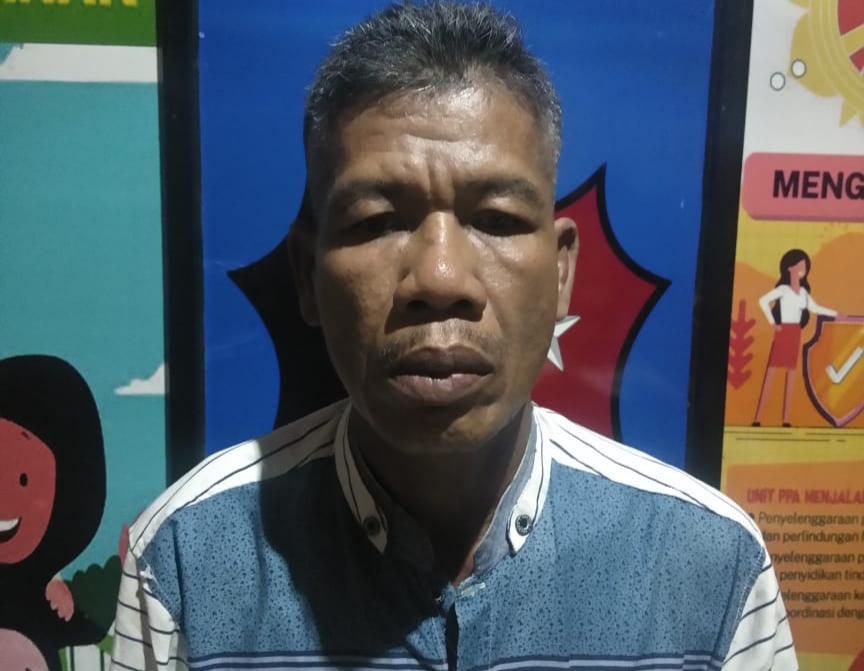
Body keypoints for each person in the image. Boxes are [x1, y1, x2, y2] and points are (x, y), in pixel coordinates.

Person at [110, 3, 796, 670]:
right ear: (306, 276)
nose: (440, 278)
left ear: (561, 272)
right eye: (377, 221)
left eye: (496, 219)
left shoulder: (711, 567)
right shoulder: (185, 560)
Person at [752, 248, 840, 427]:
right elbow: (763, 301)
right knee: (771, 373)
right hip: (782, 331)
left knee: (791, 374)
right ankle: (758, 417)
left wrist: (836, 314)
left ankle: (786, 419)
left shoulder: (804, 293)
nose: (802, 269)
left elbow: (816, 308)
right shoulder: (783, 290)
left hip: (795, 333)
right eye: (799, 266)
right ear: (789, 268)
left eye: (805, 266)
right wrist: (773, 323)